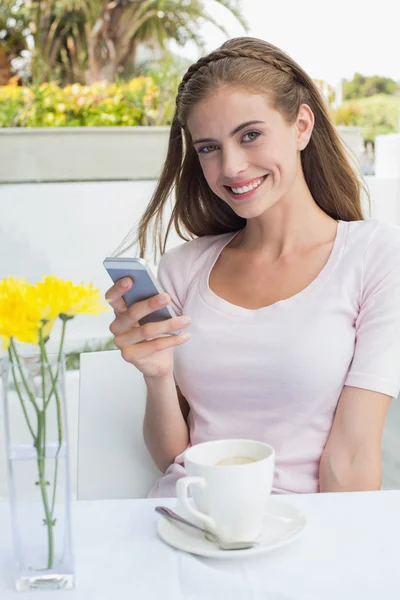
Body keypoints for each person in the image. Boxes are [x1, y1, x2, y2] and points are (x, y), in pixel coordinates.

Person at [106, 37, 400, 497]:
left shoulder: (372, 255)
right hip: (182, 523)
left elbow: (353, 457)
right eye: (208, 148)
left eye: (250, 135)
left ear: (301, 125)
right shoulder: (184, 268)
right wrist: (158, 375)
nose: (232, 166)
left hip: (300, 535)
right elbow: (173, 457)